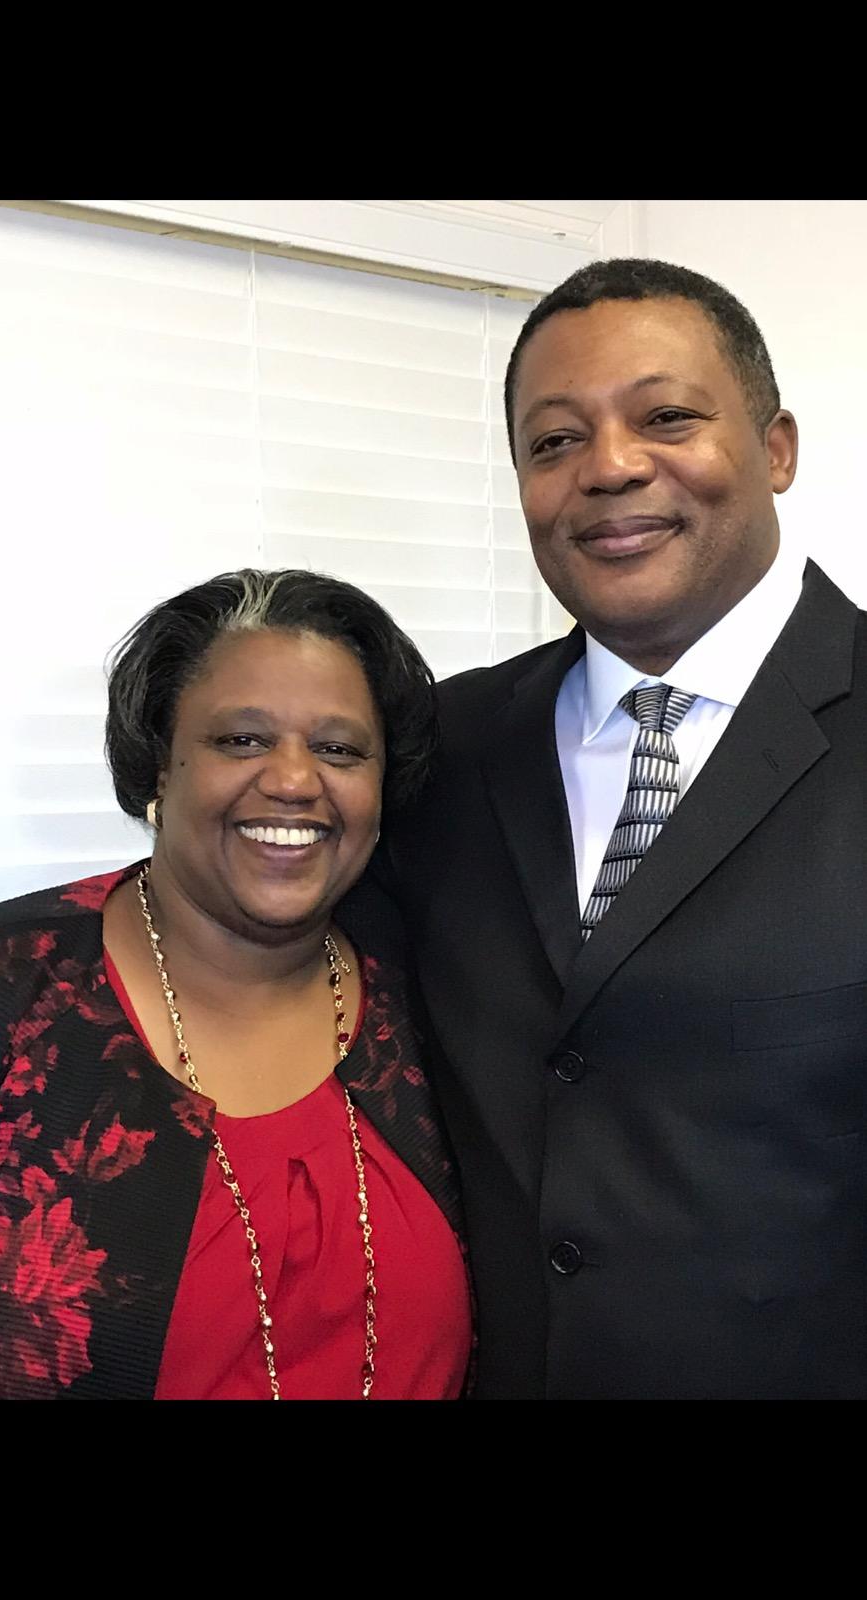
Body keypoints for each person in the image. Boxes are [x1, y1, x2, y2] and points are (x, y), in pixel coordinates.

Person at [344, 258, 867, 1400]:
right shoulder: (445, 744)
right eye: (555, 441)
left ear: (776, 447)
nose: (610, 466)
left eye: (666, 417)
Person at [0, 569, 472, 1401]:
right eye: (241, 739)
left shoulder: (435, 999)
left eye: (340, 749)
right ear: (158, 767)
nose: (294, 780)